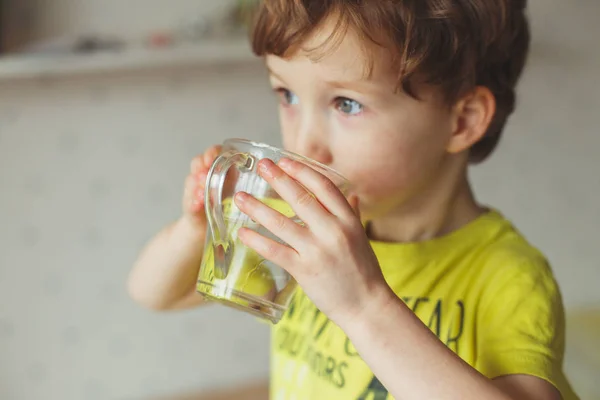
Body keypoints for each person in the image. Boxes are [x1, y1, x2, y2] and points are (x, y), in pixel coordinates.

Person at [128, 1, 579, 399]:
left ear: (462, 122)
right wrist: (197, 228)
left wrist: (362, 306)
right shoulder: (308, 232)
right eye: (286, 94)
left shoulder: (507, 275)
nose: (304, 143)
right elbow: (154, 294)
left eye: (346, 104)